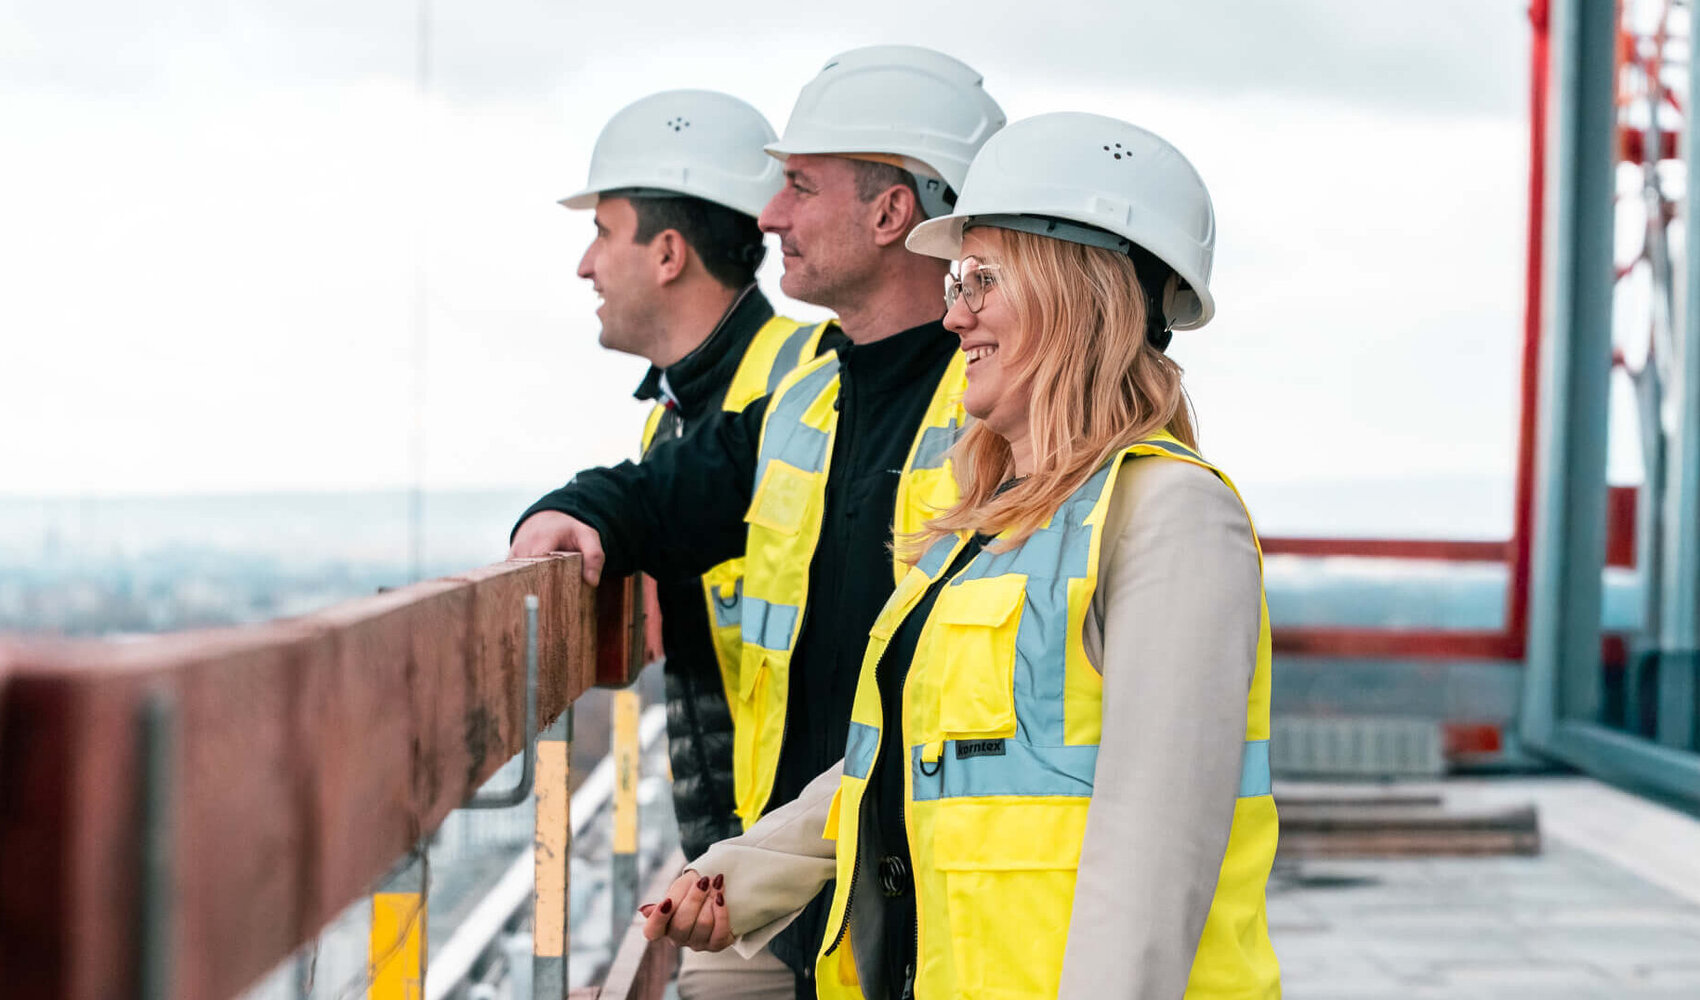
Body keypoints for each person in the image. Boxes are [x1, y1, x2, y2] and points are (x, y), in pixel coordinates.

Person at [638, 112, 1283, 1000]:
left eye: (981, 279)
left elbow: (1152, 861)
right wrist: (742, 875)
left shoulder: (1169, 517)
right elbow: (899, 761)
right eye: (955, 280)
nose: (954, 314)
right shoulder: (992, 524)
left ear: (1075, 294)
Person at [509, 46, 1005, 998]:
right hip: (798, 886)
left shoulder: (990, 414)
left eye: (799, 188)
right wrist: (572, 511)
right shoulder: (808, 400)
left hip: (913, 896)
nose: (770, 214)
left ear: (892, 212)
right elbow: (671, 490)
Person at [536, 87, 832, 873]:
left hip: (801, 853)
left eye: (603, 234)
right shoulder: (671, 417)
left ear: (669, 254)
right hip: (740, 855)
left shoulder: (815, 385)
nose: (584, 265)